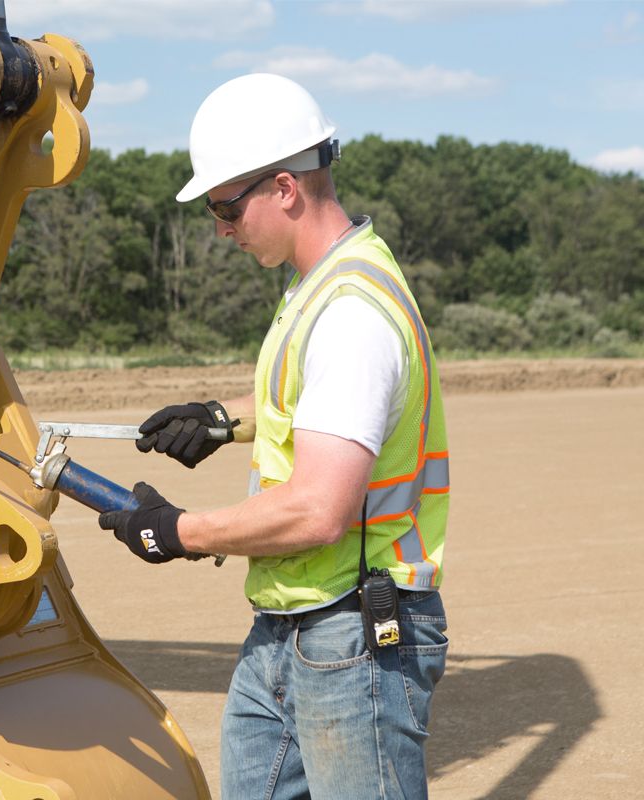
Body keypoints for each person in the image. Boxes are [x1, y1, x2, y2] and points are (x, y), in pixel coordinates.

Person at [98, 73, 450, 800]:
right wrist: (223, 419)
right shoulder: (317, 285)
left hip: (352, 637)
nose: (220, 227)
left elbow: (317, 507)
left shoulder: (352, 311)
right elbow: (317, 405)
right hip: (289, 629)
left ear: (286, 188)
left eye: (226, 205)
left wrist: (178, 531)